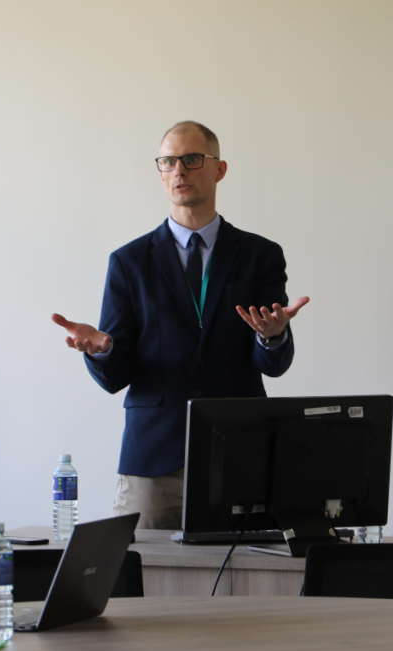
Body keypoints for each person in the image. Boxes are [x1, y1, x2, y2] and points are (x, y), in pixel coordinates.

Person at [52, 121, 309, 530]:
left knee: (246, 569)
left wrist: (272, 336)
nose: (179, 171)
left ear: (219, 169)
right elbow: (116, 377)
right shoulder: (129, 262)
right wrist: (103, 350)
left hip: (239, 451)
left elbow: (273, 364)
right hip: (154, 457)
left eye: (191, 159)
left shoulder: (260, 255)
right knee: (145, 568)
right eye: (168, 161)